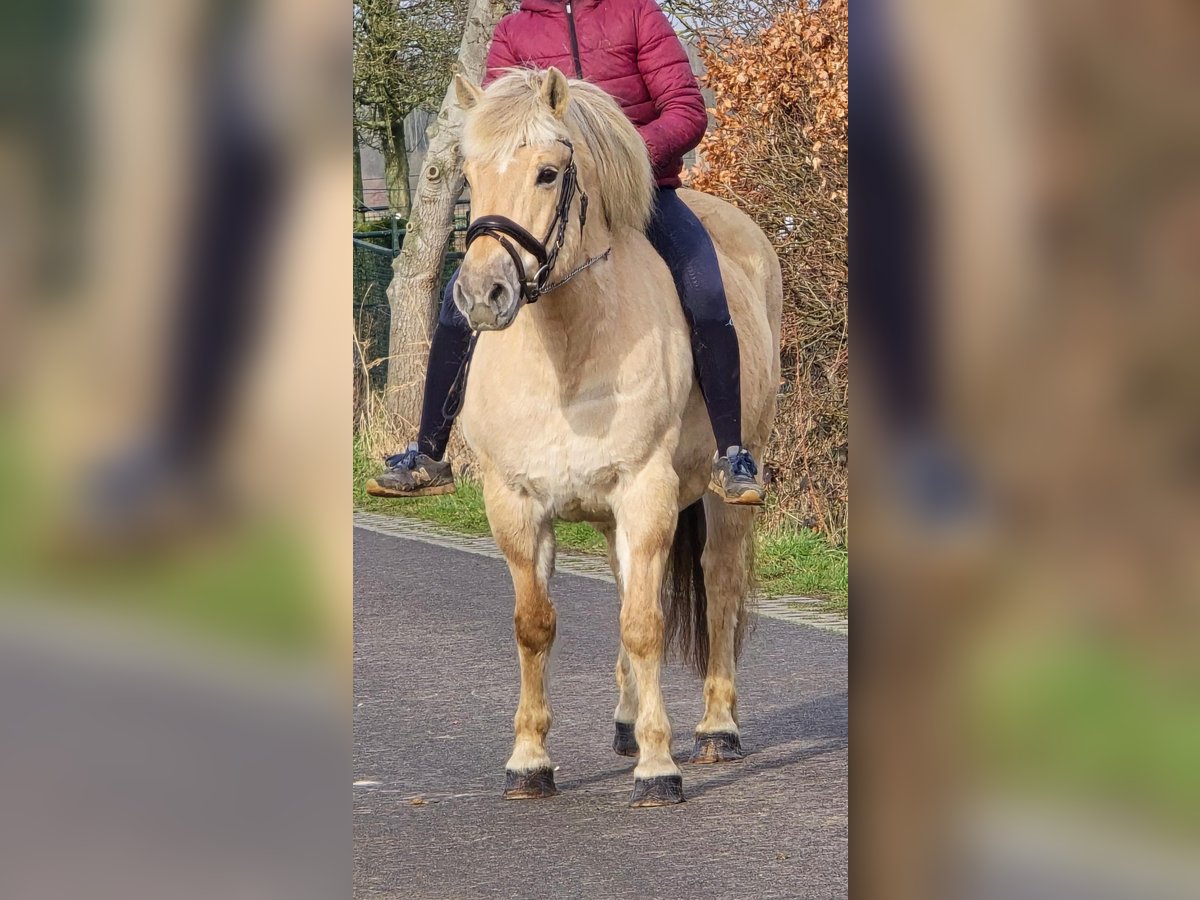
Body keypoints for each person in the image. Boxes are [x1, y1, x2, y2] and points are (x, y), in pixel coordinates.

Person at [367, 0, 765, 504]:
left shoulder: (636, 12)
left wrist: (617, 161)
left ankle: (731, 453)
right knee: (456, 302)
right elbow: (499, 129)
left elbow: (686, 111)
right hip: (548, 199)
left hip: (641, 192)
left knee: (705, 291)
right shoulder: (513, 31)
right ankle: (428, 454)